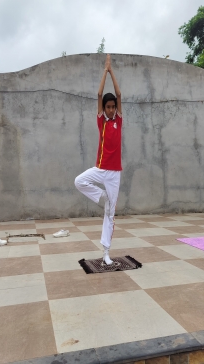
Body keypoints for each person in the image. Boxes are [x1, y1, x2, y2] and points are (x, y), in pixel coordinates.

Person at [75, 54, 122, 265]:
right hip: (100, 168)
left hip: (114, 173)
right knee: (79, 181)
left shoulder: (118, 120)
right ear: (104, 108)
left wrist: (113, 72)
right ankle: (102, 196)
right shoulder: (102, 121)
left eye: (113, 107)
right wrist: (105, 70)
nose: (111, 110)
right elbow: (99, 93)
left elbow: (118, 94)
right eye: (108, 107)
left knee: (110, 213)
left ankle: (106, 252)